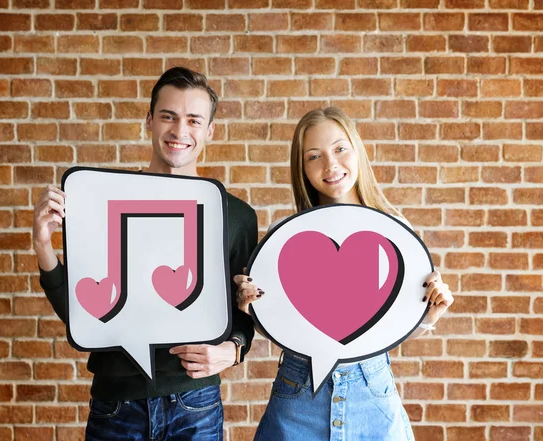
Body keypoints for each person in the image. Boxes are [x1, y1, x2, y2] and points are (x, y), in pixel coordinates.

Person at [33, 67, 258, 441]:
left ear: (209, 131)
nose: (179, 131)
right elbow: (83, 315)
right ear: (150, 120)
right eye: (168, 116)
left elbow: (244, 310)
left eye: (193, 120)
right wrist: (43, 246)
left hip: (195, 403)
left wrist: (233, 350)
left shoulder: (235, 216)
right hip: (116, 403)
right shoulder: (102, 201)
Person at [234, 107, 454, 441]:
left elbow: (388, 333)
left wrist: (428, 316)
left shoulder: (397, 234)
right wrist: (252, 307)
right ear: (302, 168)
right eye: (314, 156)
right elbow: (281, 329)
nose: (331, 165)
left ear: (357, 151)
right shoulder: (286, 240)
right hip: (298, 396)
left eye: (340, 149)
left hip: (372, 394)